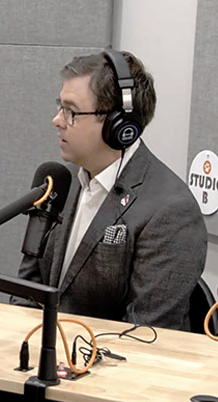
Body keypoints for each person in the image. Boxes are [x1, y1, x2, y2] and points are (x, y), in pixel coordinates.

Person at [16, 49, 207, 331]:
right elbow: (28, 291)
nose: (57, 120)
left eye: (71, 111)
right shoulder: (62, 184)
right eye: (60, 106)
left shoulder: (171, 211)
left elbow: (146, 335)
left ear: (120, 124)